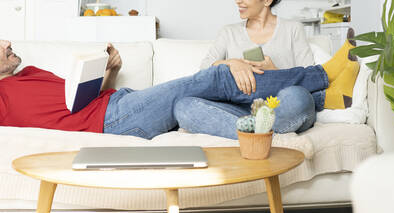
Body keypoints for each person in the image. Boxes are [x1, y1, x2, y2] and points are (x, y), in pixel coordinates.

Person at [0, 38, 359, 140]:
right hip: (114, 122)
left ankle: (326, 98)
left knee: (188, 104)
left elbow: (78, 101)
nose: (7, 42)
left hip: (120, 104)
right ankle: (322, 74)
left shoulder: (29, 71)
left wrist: (110, 73)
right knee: (218, 76)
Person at [173, 0, 340, 139]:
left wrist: (274, 71)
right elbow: (203, 72)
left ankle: (249, 134)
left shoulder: (292, 29)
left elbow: (308, 76)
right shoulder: (229, 32)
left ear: (267, 1)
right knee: (183, 107)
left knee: (298, 97)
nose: (238, 1)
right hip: (241, 111)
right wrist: (232, 63)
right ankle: (267, 137)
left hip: (280, 107)